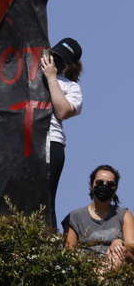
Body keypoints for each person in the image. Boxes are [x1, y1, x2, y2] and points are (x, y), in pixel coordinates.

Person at [42, 37, 83, 226]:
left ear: (69, 65)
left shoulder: (71, 87)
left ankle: (46, 247)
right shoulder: (30, 73)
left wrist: (52, 78)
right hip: (22, 140)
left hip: (52, 142)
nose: (56, 60)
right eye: (54, 55)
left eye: (62, 59)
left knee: (45, 199)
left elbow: (63, 111)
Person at [63, 164, 134, 268]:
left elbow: (132, 245)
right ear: (91, 186)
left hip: (120, 262)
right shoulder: (75, 217)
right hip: (88, 267)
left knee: (118, 251)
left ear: (115, 188)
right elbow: (68, 253)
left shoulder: (123, 214)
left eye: (110, 184)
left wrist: (120, 243)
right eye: (99, 182)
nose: (104, 186)